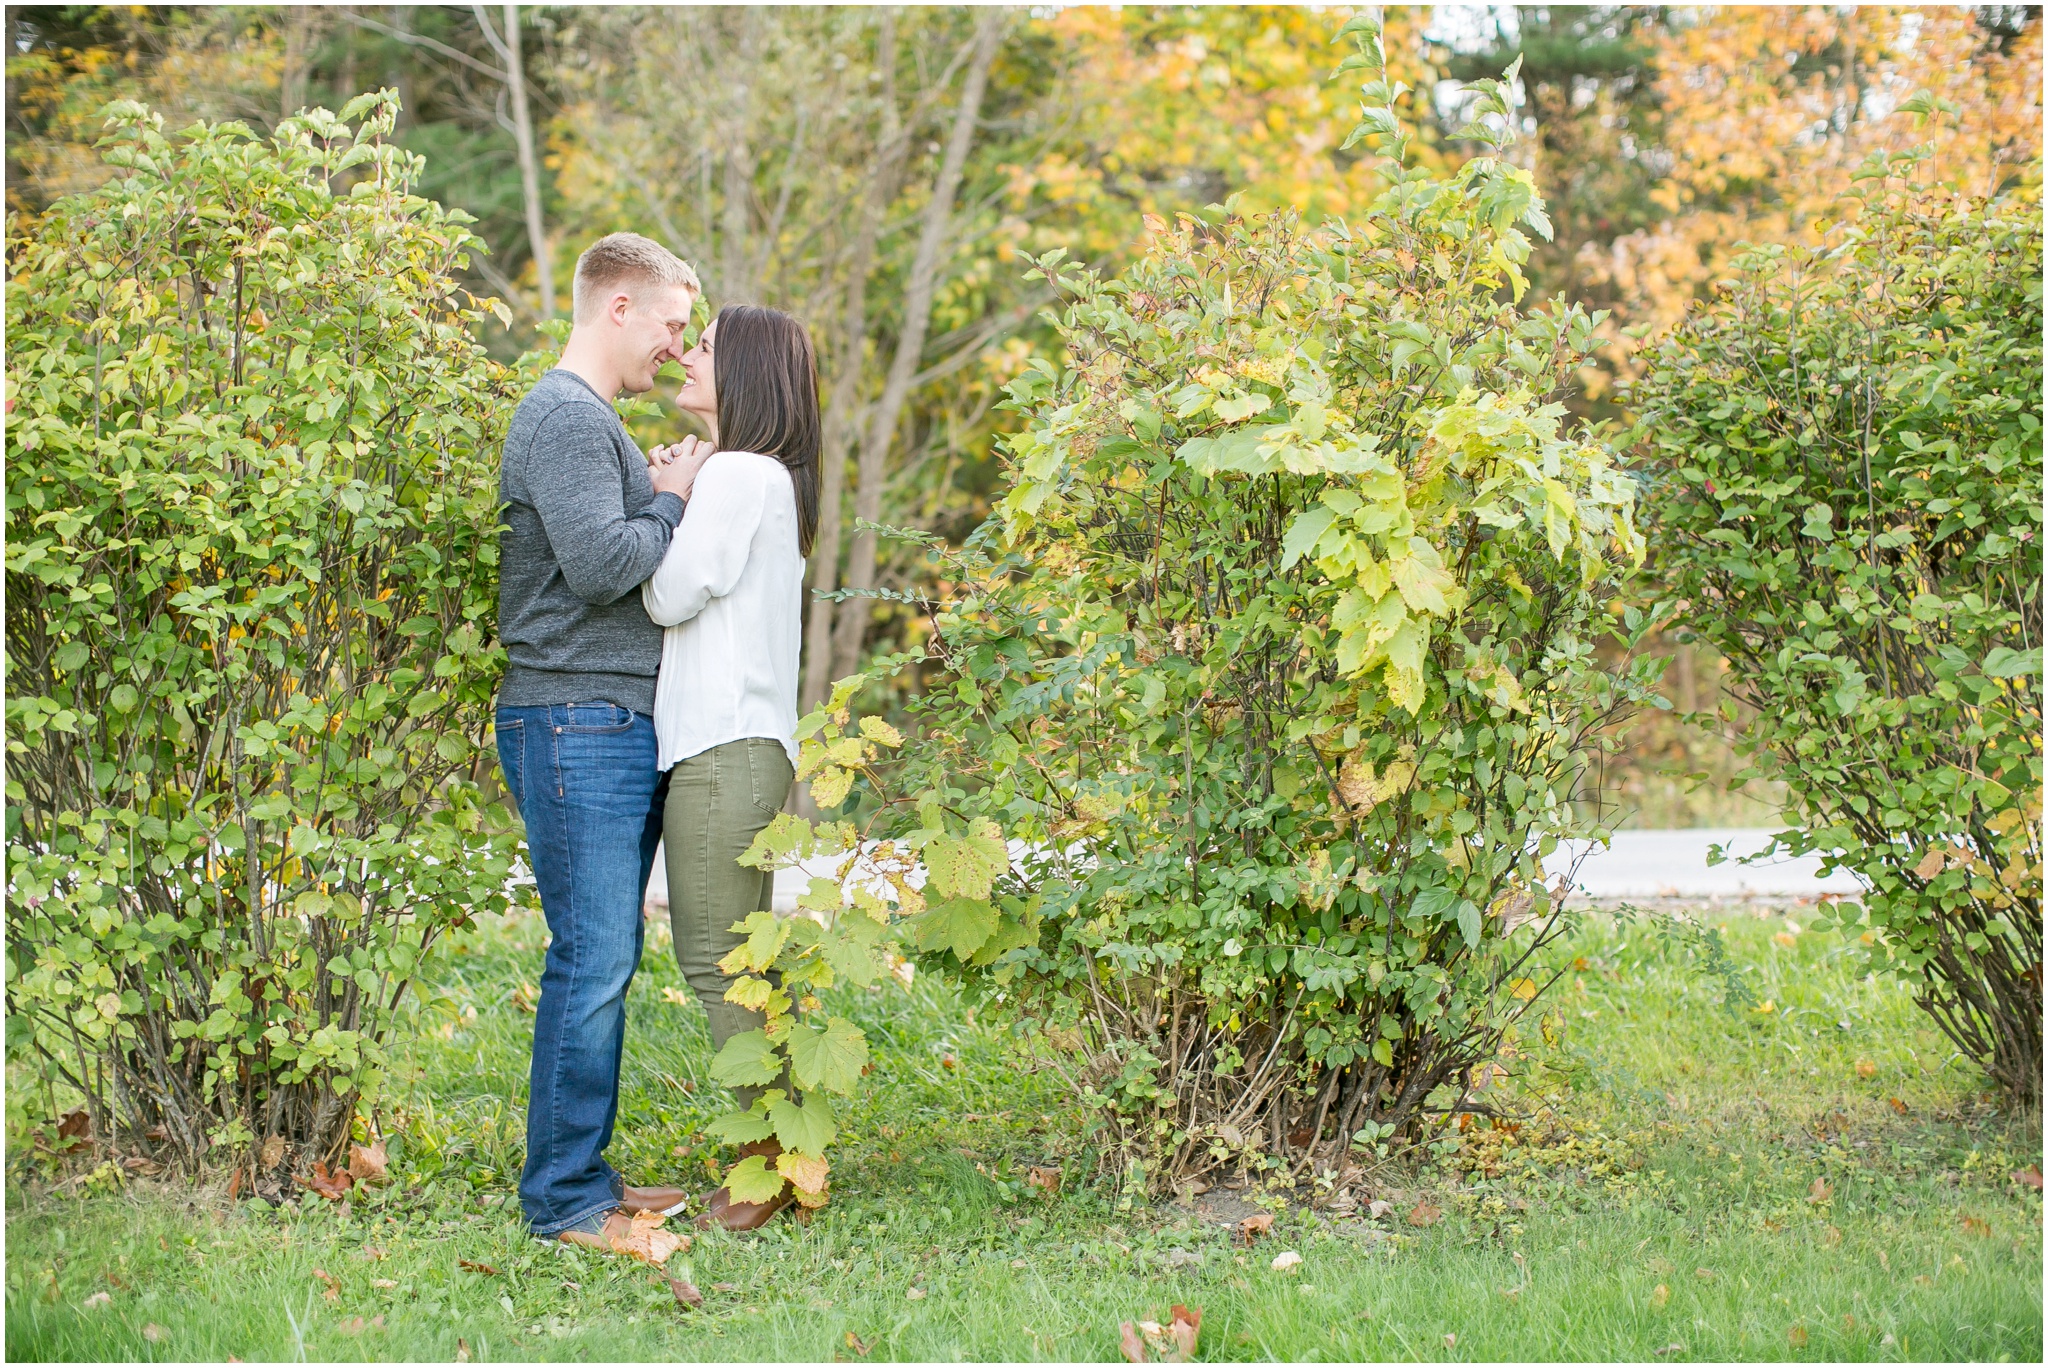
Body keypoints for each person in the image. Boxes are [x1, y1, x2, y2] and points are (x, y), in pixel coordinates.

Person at [494, 232, 712, 1250]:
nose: (677, 348)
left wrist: (657, 492)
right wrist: (670, 498)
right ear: (616, 307)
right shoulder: (568, 418)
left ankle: (581, 1172)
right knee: (592, 959)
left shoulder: (587, 423)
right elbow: (597, 568)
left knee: (602, 957)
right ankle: (565, 1200)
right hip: (574, 714)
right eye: (671, 324)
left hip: (600, 714)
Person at [642, 304, 820, 1233]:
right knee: (742, 962)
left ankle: (760, 1176)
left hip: (723, 748)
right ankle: (785, 1160)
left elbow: (672, 591)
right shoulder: (769, 478)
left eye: (705, 345)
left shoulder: (738, 473)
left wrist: (671, 492)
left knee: (716, 963)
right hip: (745, 747)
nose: (686, 354)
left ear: (743, 371)